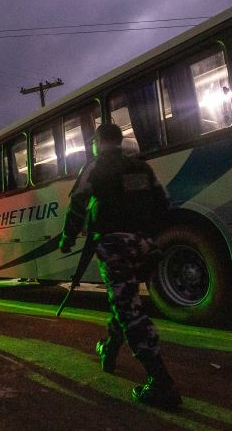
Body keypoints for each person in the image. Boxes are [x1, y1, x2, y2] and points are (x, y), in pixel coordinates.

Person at [58, 123, 181, 410]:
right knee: (125, 298)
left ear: (98, 142)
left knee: (128, 309)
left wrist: (67, 237)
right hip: (143, 246)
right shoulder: (140, 167)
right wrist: (150, 240)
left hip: (114, 247)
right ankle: (109, 349)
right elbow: (162, 204)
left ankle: (161, 382)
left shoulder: (95, 166)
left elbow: (78, 202)